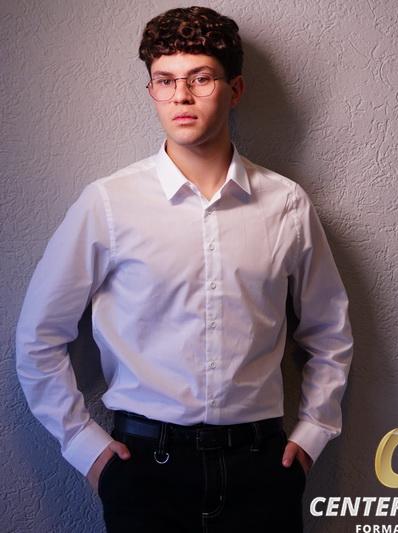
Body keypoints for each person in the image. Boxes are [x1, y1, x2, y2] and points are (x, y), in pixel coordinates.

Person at [15, 6, 353, 532]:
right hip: (144, 471)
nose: (181, 96)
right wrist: (87, 449)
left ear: (235, 89)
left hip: (261, 469)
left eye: (201, 78)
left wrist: (312, 434)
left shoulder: (287, 204)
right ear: (151, 89)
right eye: (165, 80)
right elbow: (38, 338)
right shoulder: (108, 204)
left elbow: (329, 333)